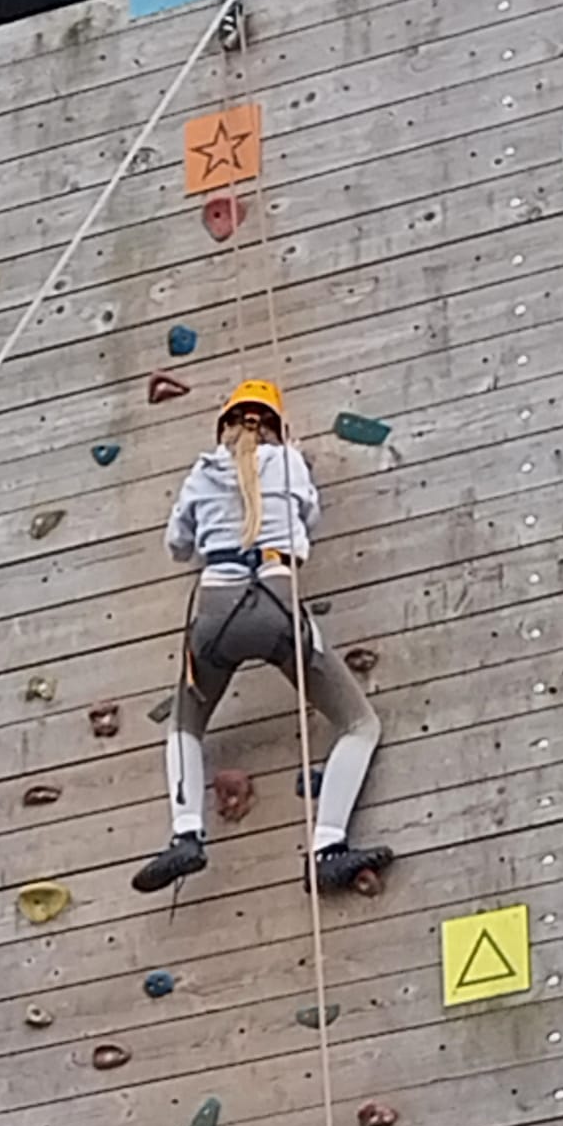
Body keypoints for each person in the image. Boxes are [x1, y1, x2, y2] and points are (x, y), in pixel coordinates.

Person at [131, 378, 392, 897]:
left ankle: (186, 834)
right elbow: (308, 519)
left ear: (224, 426)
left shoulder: (200, 474)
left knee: (185, 724)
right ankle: (328, 847)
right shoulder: (290, 462)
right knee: (359, 723)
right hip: (275, 605)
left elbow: (177, 546)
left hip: (214, 613)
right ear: (277, 426)